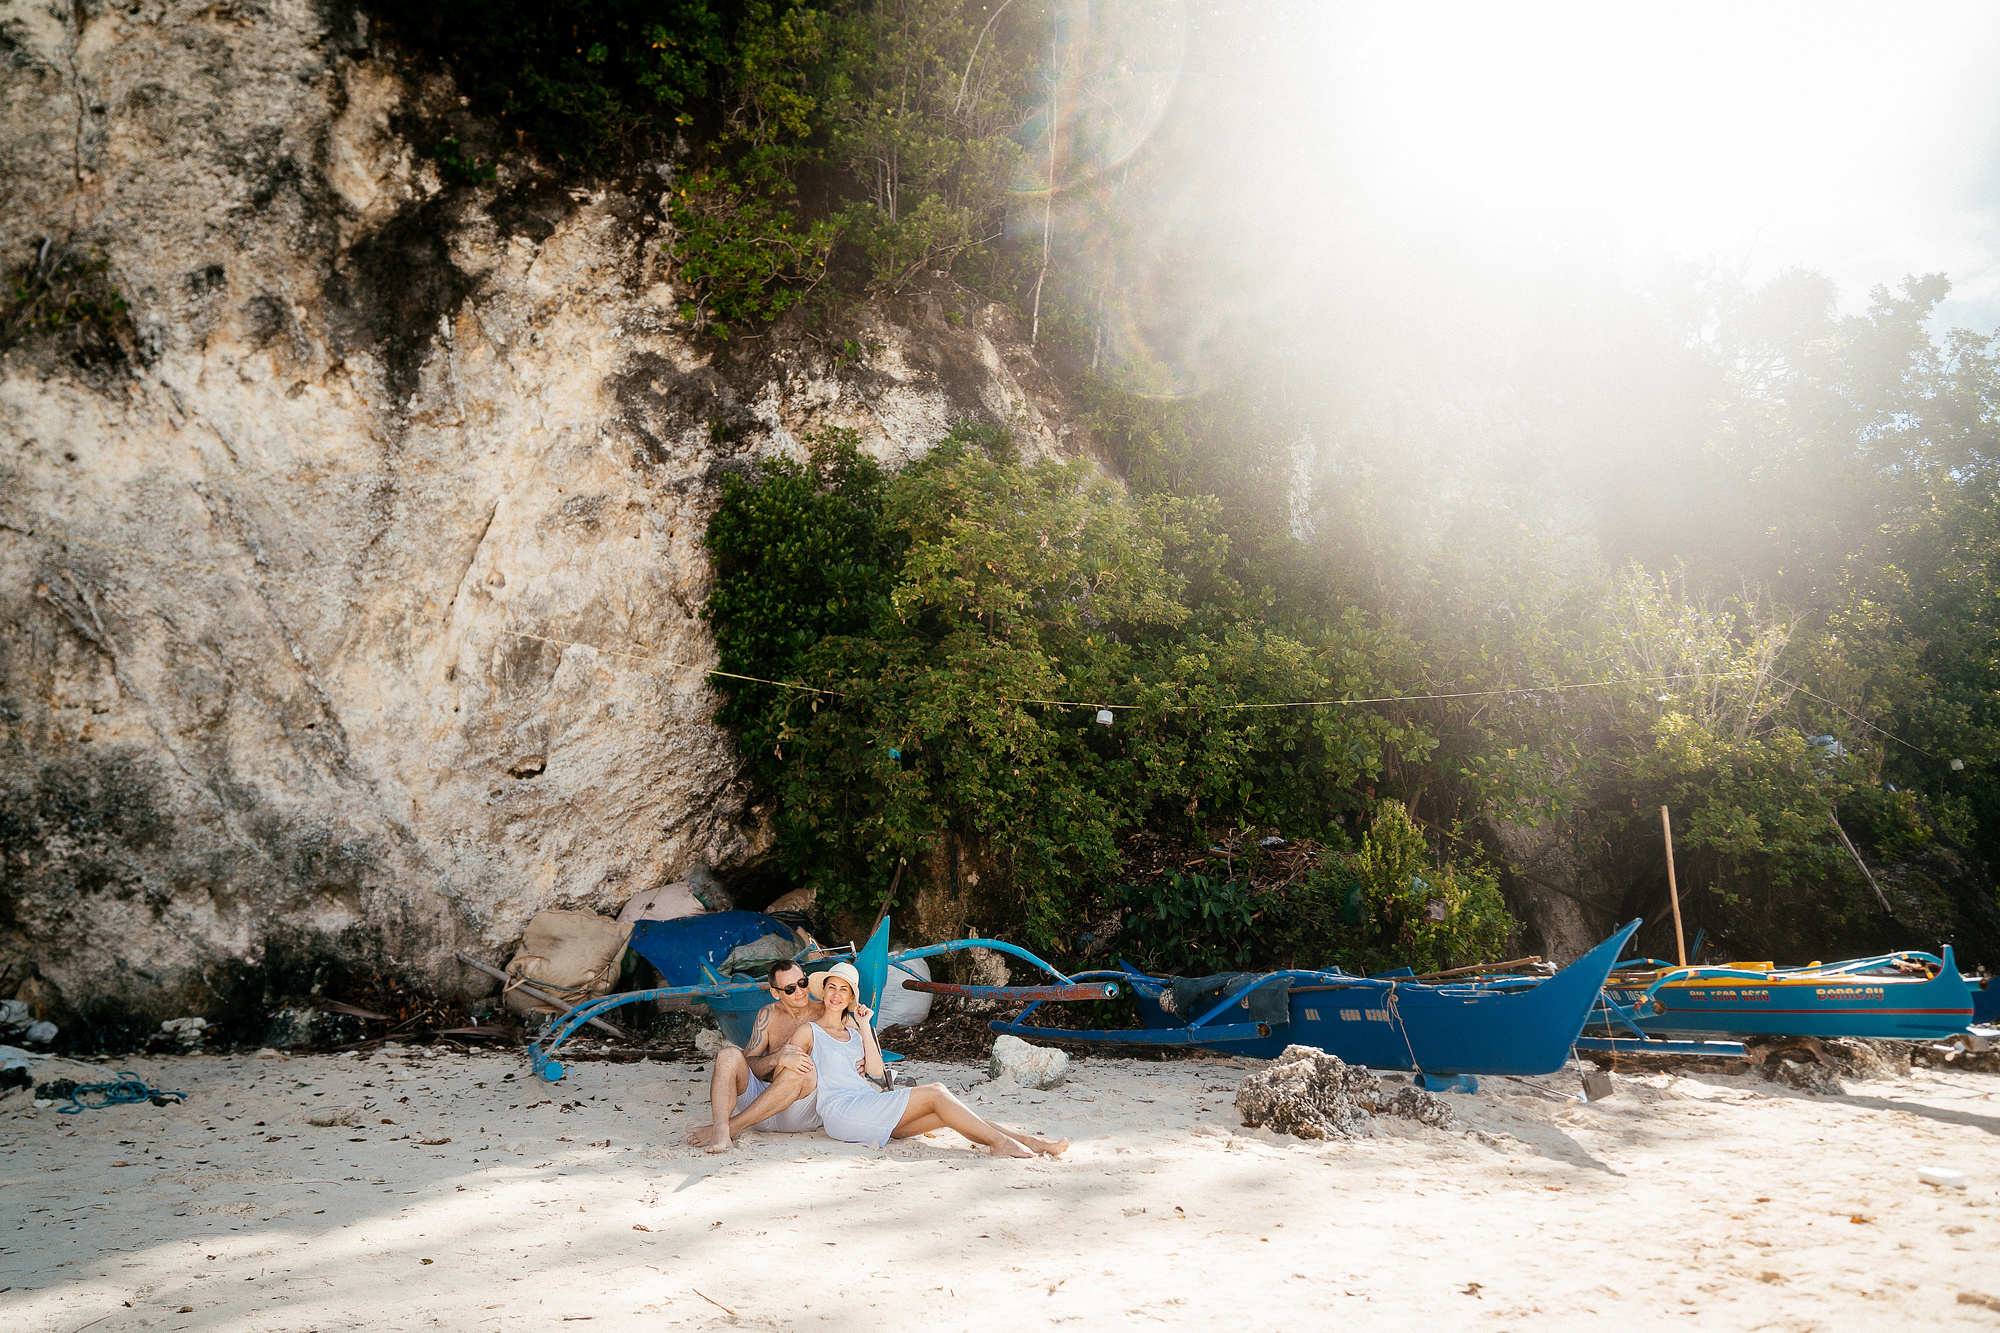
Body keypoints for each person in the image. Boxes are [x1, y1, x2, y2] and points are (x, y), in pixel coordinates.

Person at [786, 962, 1067, 1159]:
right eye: (831, 987)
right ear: (823, 992)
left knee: (943, 1114)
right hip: (841, 1112)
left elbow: (874, 1071)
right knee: (936, 1092)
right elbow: (784, 1074)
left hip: (866, 1104)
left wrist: (863, 1025)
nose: (836, 994)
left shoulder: (855, 1032)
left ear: (850, 997)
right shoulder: (809, 1031)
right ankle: (1001, 1143)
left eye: (843, 990)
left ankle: (1026, 1140)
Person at [686, 958, 823, 1154]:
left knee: (801, 1069)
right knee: (728, 1055)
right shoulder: (768, 1015)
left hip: (799, 1112)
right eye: (790, 989)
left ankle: (732, 1127)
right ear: (775, 993)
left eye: (802, 983)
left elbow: (851, 1043)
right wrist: (776, 1058)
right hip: (760, 1109)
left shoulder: (824, 1012)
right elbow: (749, 1064)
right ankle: (720, 1128)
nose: (800, 991)